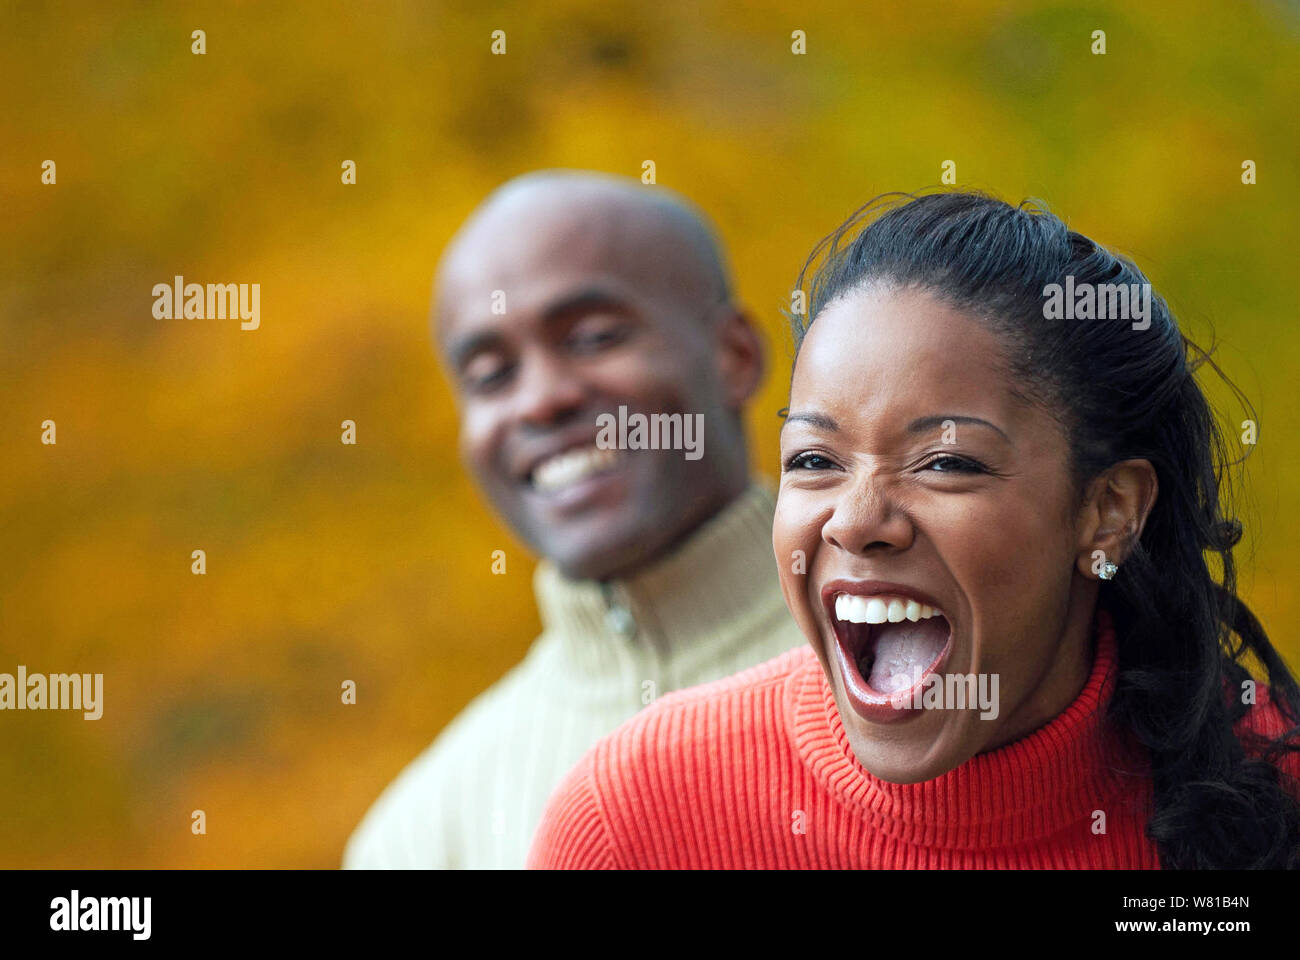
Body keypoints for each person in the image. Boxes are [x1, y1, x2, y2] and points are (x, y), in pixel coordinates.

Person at [528, 190, 1300, 869]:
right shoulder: (638, 817)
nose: (858, 522)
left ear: (1109, 512)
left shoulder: (1273, 788)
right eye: (814, 458)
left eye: (947, 463)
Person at [343, 170, 803, 868]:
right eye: (491, 375)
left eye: (591, 337)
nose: (541, 401)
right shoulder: (424, 835)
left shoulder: (948, 669)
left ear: (734, 355)